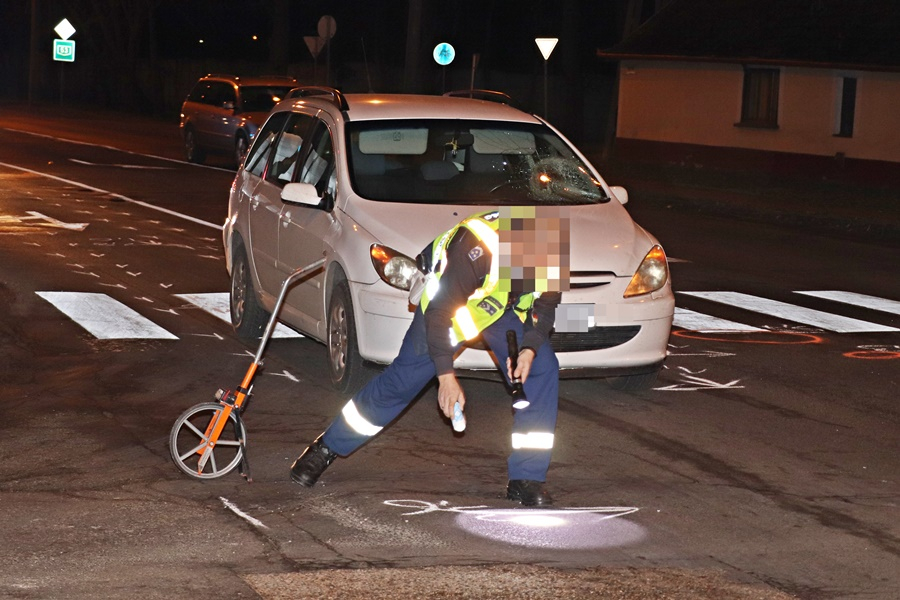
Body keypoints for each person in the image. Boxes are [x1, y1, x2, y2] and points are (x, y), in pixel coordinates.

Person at [290, 206, 570, 506]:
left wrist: (528, 349)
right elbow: (440, 314)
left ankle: (526, 478)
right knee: (403, 381)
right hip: (445, 308)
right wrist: (446, 377)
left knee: (541, 368)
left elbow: (545, 309)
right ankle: (327, 447)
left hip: (496, 309)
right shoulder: (476, 248)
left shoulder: (551, 246)